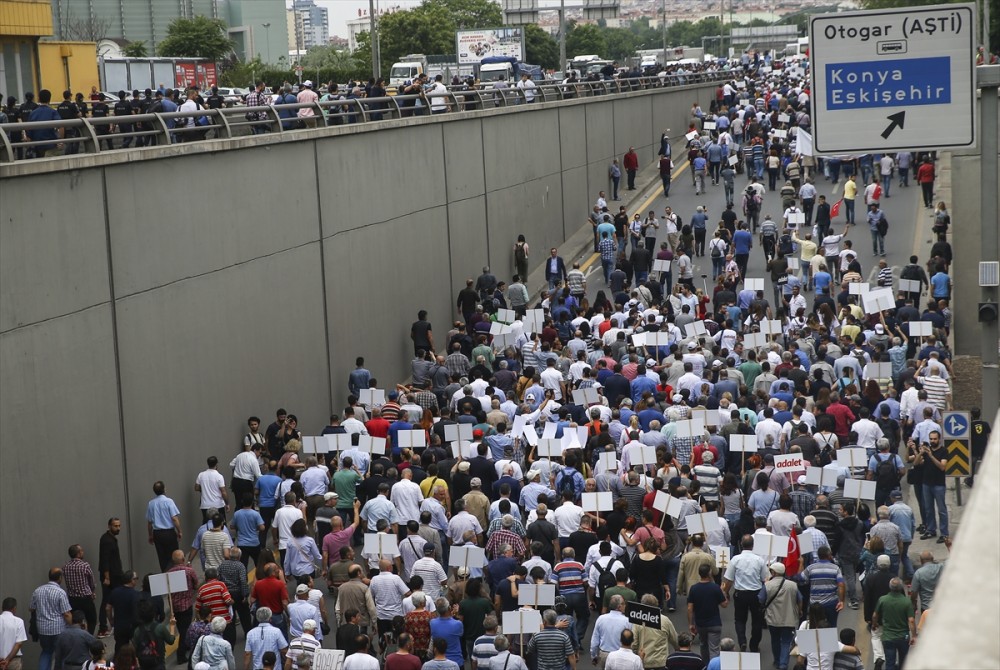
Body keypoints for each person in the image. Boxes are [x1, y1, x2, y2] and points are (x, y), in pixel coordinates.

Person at [721, 536, 768, 653]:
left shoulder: (735, 559)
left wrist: (725, 593)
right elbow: (765, 579)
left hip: (740, 594)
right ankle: (754, 644)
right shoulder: (759, 560)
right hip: (756, 594)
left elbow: (729, 580)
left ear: (741, 544)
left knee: (740, 620)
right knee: (757, 621)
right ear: (753, 545)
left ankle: (742, 641)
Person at [31, 568, 72, 670]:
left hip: (42, 629)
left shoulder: (38, 591)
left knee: (46, 652)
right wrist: (71, 626)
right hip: (58, 629)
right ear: (59, 578)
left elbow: (31, 608)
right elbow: (66, 614)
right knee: (62, 654)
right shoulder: (60, 592)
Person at [686, 563, 727, 663]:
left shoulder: (694, 588)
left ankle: (705, 665)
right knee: (714, 649)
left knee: (703, 645)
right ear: (709, 574)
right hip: (715, 623)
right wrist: (723, 591)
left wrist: (691, 623)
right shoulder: (715, 587)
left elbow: (690, 608)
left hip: (701, 624)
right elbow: (724, 604)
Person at [872, 578, 916, 670]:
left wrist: (874, 624)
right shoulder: (906, 601)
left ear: (890, 587)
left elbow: (875, 615)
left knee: (890, 663)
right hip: (903, 637)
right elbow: (911, 620)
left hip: (888, 637)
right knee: (903, 662)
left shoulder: (883, 600)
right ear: (901, 588)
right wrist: (914, 636)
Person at [146, 481, 183, 572]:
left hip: (157, 533)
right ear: (164, 489)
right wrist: (179, 531)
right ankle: (175, 573)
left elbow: (149, 522)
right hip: (169, 532)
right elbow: (174, 518)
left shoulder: (151, 503)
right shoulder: (169, 501)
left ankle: (165, 574)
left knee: (162, 557)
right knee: (174, 556)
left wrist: (150, 535)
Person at [0, 597, 27, 670]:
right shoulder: (19, 622)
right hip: (13, 660)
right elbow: (18, 644)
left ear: (2, 608)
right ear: (14, 608)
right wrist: (7, 660)